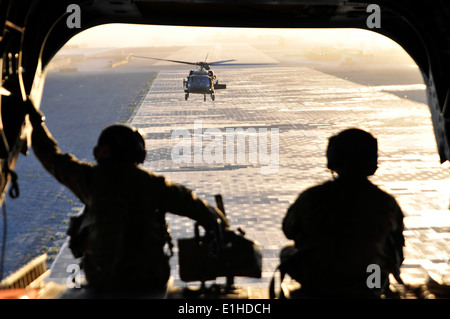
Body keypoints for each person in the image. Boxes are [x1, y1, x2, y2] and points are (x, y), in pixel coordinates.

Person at [25, 99, 228, 293]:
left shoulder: (89, 180)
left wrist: (36, 123)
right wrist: (219, 225)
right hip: (148, 278)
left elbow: (51, 157)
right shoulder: (152, 184)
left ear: (104, 151)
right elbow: (193, 204)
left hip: (102, 278)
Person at [281, 128, 405, 298]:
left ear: (333, 159)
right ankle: (376, 290)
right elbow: (396, 246)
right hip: (370, 283)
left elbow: (289, 230)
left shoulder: (312, 197)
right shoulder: (387, 203)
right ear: (372, 162)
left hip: (320, 281)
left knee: (288, 253)